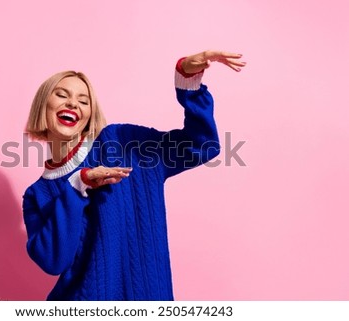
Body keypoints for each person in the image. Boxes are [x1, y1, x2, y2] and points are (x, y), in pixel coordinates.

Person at [23, 50, 246, 300]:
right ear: (44, 106)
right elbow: (53, 261)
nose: (73, 103)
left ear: (89, 114)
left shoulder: (122, 141)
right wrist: (77, 185)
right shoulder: (37, 195)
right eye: (61, 95)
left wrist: (188, 83)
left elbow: (202, 146)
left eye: (84, 101)